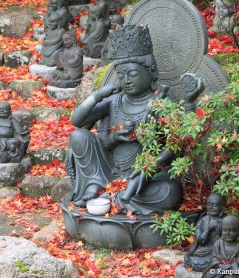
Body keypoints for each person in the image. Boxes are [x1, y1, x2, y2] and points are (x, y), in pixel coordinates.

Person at [66, 24, 204, 211]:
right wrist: (99, 95)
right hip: (109, 172)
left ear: (150, 72)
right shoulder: (115, 101)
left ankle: (115, 198)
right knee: (78, 136)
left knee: (169, 192)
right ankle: (95, 186)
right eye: (121, 76)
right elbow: (77, 121)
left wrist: (149, 168)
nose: (127, 80)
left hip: (147, 177)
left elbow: (177, 143)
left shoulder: (162, 102)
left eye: (132, 74)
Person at [185, 193, 226, 272]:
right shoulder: (204, 219)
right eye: (209, 205)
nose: (211, 207)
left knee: (217, 257)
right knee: (195, 253)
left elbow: (227, 235)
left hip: (217, 248)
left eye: (214, 205)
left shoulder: (225, 220)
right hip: (204, 247)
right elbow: (198, 230)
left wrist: (217, 227)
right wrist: (201, 236)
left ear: (222, 207)